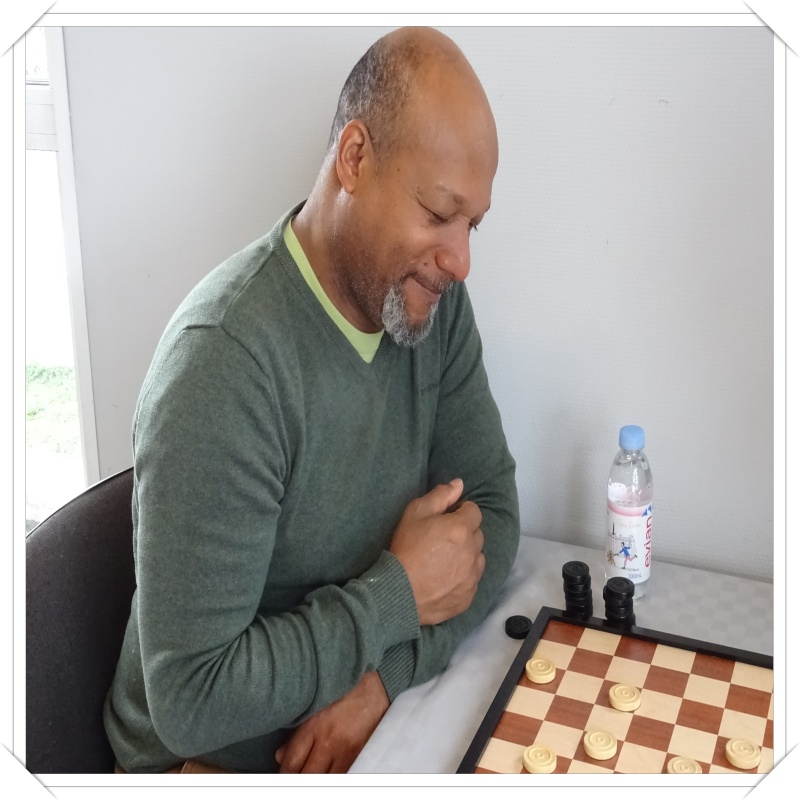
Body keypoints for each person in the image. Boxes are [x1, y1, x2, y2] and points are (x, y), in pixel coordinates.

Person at [104, 25, 520, 774]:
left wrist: (383, 678)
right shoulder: (224, 366)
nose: (461, 260)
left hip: (360, 728)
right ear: (355, 158)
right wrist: (396, 597)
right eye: (438, 213)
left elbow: (492, 512)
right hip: (207, 763)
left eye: (473, 224)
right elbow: (192, 698)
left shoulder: (432, 303)